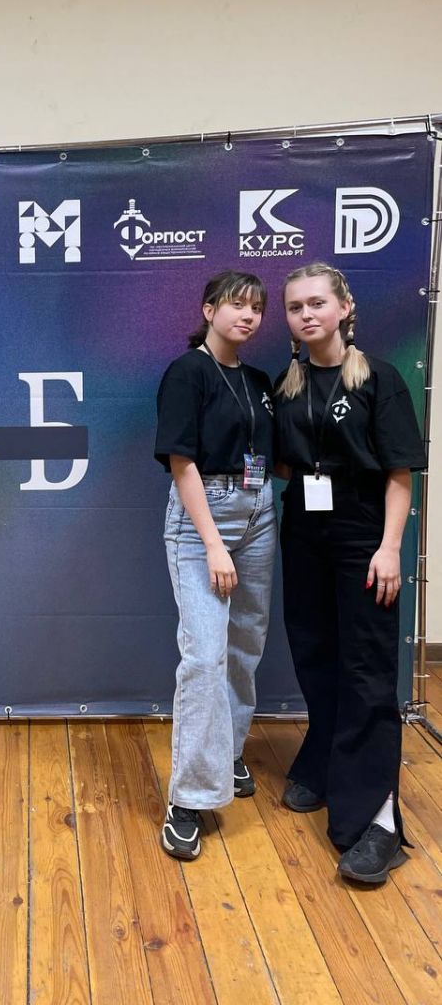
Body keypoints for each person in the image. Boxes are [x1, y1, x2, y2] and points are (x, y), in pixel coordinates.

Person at [274, 261, 425, 884]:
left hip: (364, 534)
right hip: (304, 534)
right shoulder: (287, 385)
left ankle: (376, 820)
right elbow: (284, 466)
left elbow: (399, 473)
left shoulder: (379, 378)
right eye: (295, 307)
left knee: (365, 667)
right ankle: (324, 761)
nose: (306, 314)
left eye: (317, 303)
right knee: (315, 654)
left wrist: (390, 547)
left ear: (343, 308)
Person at [154, 270, 276, 860]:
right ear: (209, 310)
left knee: (245, 645)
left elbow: (272, 457)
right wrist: (213, 544)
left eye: (256, 307)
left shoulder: (257, 380)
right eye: (236, 305)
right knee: (204, 656)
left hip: (260, 513)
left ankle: (225, 754)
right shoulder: (188, 372)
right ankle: (189, 798)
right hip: (206, 518)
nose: (247, 315)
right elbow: (181, 461)